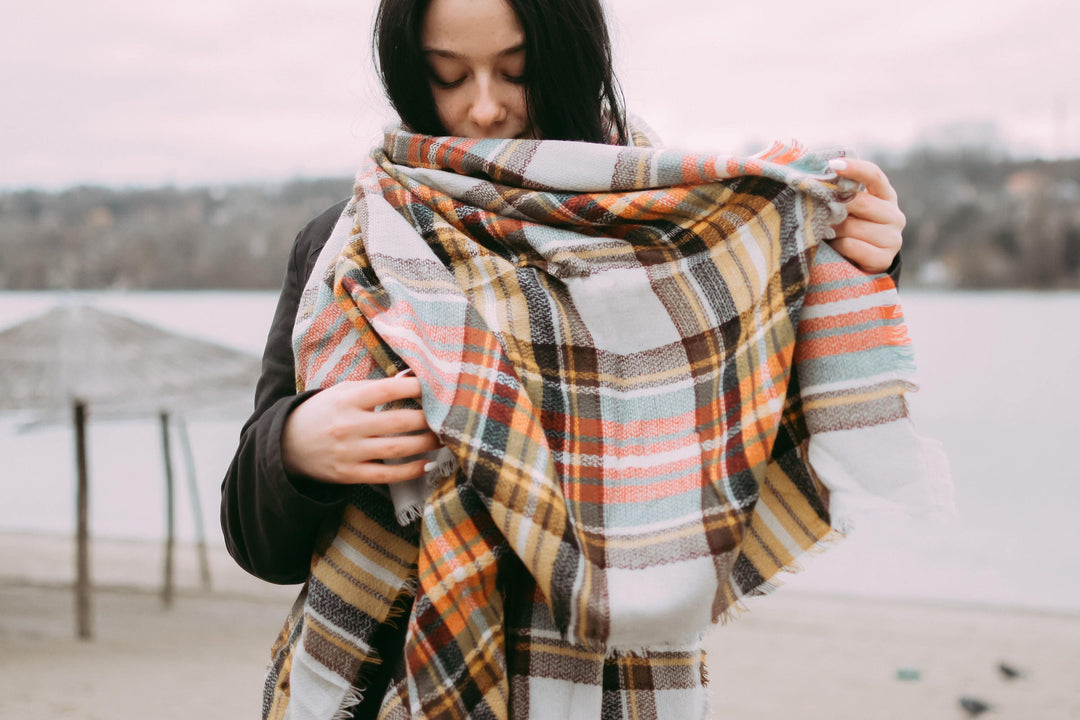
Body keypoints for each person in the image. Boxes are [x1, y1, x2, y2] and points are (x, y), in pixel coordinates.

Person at [221, 0, 909, 717]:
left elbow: (780, 429)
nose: (484, 109)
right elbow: (254, 541)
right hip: (376, 685)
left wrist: (861, 259)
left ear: (572, 59)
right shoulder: (345, 246)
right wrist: (294, 446)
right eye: (448, 76)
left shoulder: (675, 235)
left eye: (516, 71)